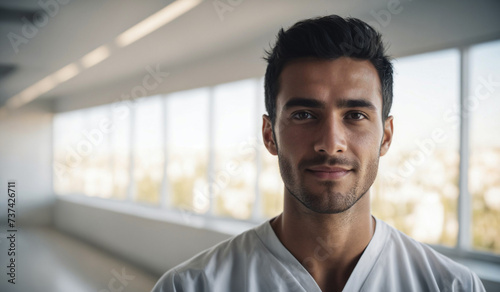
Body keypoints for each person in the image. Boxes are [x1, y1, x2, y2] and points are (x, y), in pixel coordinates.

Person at [152, 15, 485, 292]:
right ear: (270, 135)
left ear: (386, 137)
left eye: (355, 115)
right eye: (304, 115)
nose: (330, 142)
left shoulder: (452, 285)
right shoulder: (192, 286)